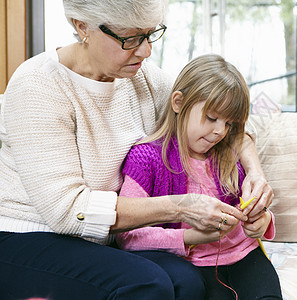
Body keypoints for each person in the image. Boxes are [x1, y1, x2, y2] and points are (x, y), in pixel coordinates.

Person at [0, 1, 274, 299]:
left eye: (149, 35)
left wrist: (255, 175)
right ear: (82, 26)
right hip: (27, 238)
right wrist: (181, 206)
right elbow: (69, 212)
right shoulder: (38, 85)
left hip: (100, 242)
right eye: (130, 39)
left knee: (188, 282)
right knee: (147, 283)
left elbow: (223, 121)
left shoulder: (143, 79)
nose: (146, 51)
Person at [116, 54, 282, 300]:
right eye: (212, 118)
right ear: (178, 102)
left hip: (248, 256)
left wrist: (263, 219)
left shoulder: (228, 154)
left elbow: (254, 209)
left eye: (228, 123)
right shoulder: (146, 158)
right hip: (194, 264)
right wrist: (190, 237)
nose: (219, 131)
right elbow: (126, 236)